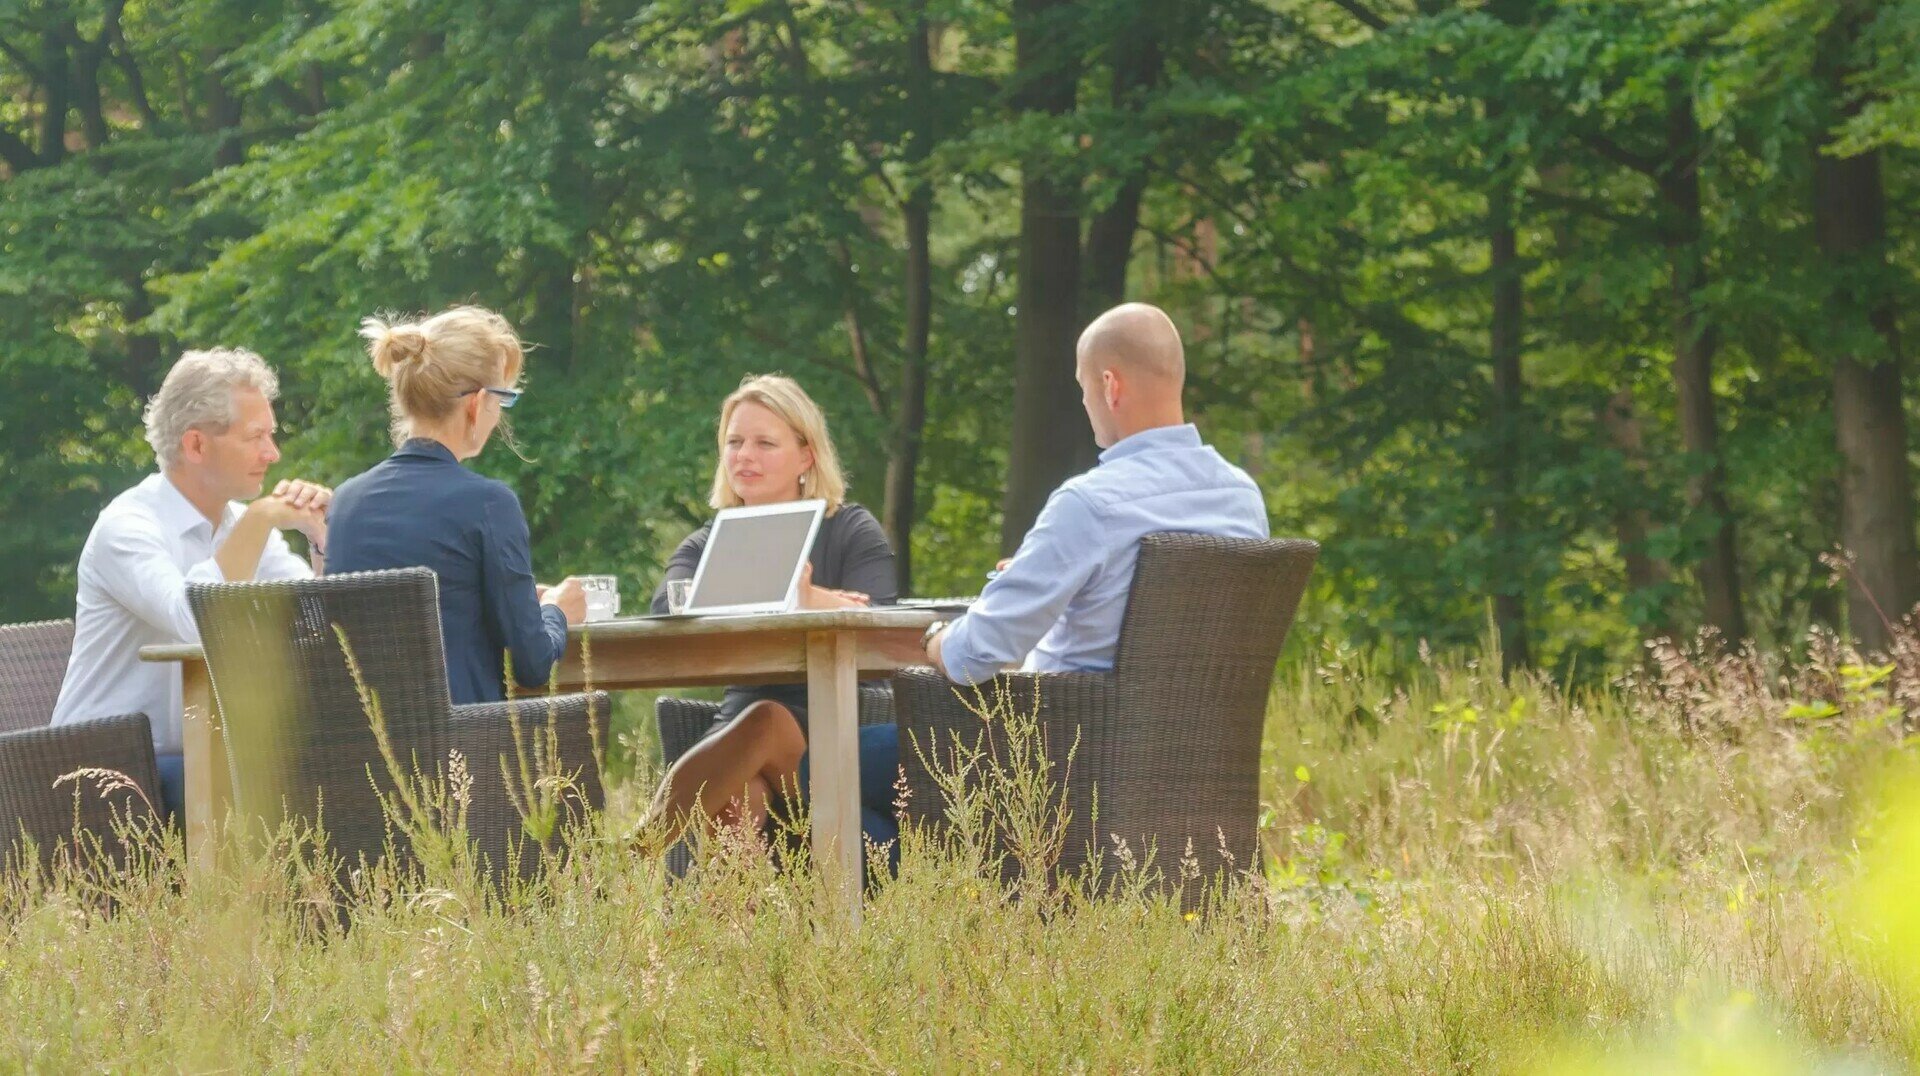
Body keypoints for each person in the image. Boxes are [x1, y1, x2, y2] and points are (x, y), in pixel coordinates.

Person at [53, 348, 331, 820]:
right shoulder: (126, 527)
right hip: (97, 769)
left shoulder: (241, 525)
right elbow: (195, 621)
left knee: (326, 770)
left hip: (192, 759)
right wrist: (263, 519)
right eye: (256, 437)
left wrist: (321, 538)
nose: (273, 453)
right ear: (196, 445)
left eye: (271, 436)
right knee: (253, 791)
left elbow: (319, 619)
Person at [924, 302, 1270, 682]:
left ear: (1110, 386)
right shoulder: (1243, 498)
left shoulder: (1090, 505)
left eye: (1082, 386)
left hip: (1068, 736)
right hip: (1208, 738)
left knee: (867, 737)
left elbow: (973, 655)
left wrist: (935, 638)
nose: (1085, 402)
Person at [639, 374, 899, 867]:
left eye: (764, 443)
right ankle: (733, 945)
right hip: (734, 724)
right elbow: (668, 606)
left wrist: (806, 596)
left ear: (806, 455)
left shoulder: (848, 529)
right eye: (734, 442)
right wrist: (762, 591)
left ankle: (638, 851)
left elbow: (881, 621)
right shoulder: (707, 541)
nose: (744, 455)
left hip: (832, 724)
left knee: (767, 720)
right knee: (739, 798)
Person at [324, 306, 588, 705]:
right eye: (503, 398)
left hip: (360, 755)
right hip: (463, 755)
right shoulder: (488, 504)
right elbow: (532, 664)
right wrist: (556, 611)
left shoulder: (345, 502)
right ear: (477, 403)